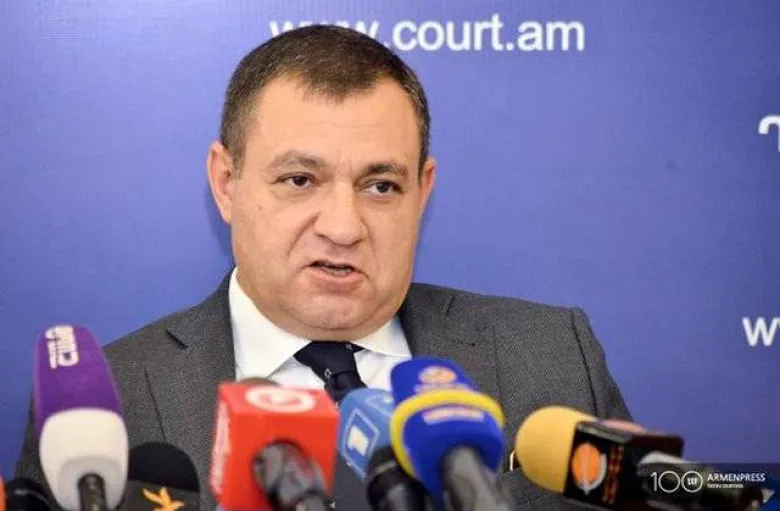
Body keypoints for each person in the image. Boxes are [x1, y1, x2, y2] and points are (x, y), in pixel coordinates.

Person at [16, 25, 630, 510]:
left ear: (423, 190)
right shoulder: (102, 408)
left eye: (381, 186)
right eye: (300, 180)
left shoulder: (551, 356)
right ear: (226, 183)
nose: (342, 227)